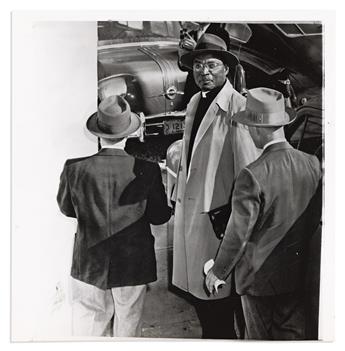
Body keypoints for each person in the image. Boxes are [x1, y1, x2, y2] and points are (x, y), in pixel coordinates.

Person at [205, 87, 322, 340]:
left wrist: (218, 271)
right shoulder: (312, 164)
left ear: (257, 129)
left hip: (258, 281)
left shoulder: (252, 174)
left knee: (258, 340)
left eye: (248, 127)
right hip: (298, 274)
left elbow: (238, 235)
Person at [57, 95, 171, 337]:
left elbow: (66, 208)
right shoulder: (147, 170)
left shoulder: (74, 168)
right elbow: (160, 217)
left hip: (89, 263)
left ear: (98, 133)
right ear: (129, 133)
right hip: (133, 263)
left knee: (90, 329)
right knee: (128, 326)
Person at [171, 33, 260, 339]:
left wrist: (237, 225)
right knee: (202, 299)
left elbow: (248, 176)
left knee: (220, 303)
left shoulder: (238, 107)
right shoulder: (196, 101)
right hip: (192, 212)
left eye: (211, 65)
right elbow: (187, 155)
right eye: (197, 65)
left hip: (218, 221)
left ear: (226, 69)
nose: (204, 72)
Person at [178, 22, 231, 108]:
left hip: (212, 86)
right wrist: (182, 55)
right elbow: (183, 67)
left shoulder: (221, 32)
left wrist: (196, 49)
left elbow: (223, 58)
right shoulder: (191, 34)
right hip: (192, 86)